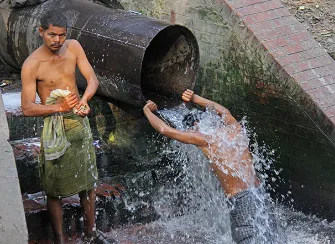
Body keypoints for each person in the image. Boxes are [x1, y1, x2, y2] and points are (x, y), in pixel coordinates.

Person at [21, 10, 114, 244]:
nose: (57, 40)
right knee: (54, 191)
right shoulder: (32, 64)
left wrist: (84, 101)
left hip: (79, 125)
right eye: (52, 34)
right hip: (55, 129)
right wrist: (59, 108)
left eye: (61, 35)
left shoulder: (73, 47)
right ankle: (60, 240)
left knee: (88, 184)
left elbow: (92, 80)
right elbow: (27, 108)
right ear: (41, 32)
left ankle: (91, 233)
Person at [143, 89, 263, 243]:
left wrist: (147, 111)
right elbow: (223, 111)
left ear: (195, 126)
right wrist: (195, 98)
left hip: (241, 201)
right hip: (259, 194)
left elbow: (164, 129)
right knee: (270, 235)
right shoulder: (235, 129)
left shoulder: (207, 139)